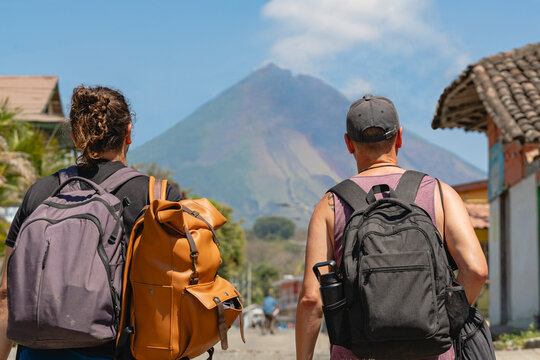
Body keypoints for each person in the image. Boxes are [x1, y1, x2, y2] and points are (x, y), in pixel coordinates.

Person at [295, 94, 488, 360]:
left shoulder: (330, 204)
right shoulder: (440, 194)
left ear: (349, 144)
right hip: (433, 350)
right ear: (399, 137)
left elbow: (310, 299)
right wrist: (444, 320)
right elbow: (476, 271)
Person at [0, 86, 182, 360]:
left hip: (37, 354)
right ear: (128, 133)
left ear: (75, 137)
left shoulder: (40, 193)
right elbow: (178, 292)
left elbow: (5, 294)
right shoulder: (155, 197)